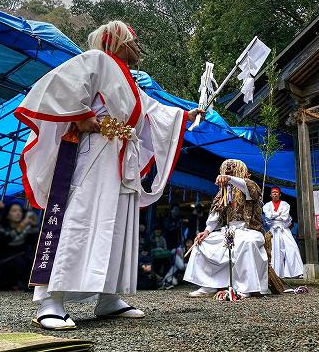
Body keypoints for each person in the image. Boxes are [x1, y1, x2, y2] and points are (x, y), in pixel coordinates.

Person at [14, 20, 205, 330]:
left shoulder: (130, 82)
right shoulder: (98, 60)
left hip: (118, 159)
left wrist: (185, 115)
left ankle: (107, 297)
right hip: (94, 153)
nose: (138, 47)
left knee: (116, 226)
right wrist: (84, 114)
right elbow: (59, 85)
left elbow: (152, 111)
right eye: (134, 40)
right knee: (79, 218)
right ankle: (51, 301)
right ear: (118, 42)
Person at [184, 159, 269, 298]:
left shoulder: (250, 185)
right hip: (229, 231)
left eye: (232, 171)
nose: (228, 172)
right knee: (203, 242)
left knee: (246, 242)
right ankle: (209, 285)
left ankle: (244, 288)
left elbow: (248, 187)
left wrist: (229, 178)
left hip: (250, 231)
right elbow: (215, 215)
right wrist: (206, 232)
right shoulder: (223, 193)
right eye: (227, 171)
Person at [262, 187, 303, 278]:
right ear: (270, 195)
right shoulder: (267, 205)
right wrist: (278, 214)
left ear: (280, 194)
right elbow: (268, 217)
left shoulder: (285, 204)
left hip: (284, 229)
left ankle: (295, 272)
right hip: (273, 230)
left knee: (292, 247)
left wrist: (274, 215)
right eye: (273, 192)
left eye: (277, 192)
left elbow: (285, 217)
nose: (275, 194)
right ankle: (276, 274)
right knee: (274, 252)